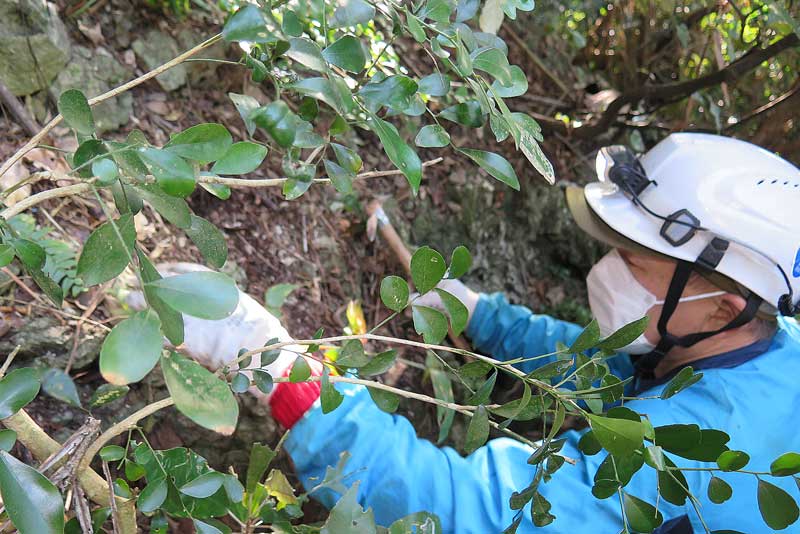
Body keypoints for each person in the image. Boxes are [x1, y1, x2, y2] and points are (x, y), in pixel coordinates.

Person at [141, 133, 800, 533]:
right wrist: (477, 311)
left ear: (723, 304)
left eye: (634, 264)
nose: (608, 274)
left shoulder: (699, 454)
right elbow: (595, 369)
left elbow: (461, 514)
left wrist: (284, 371)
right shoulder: (749, 352)